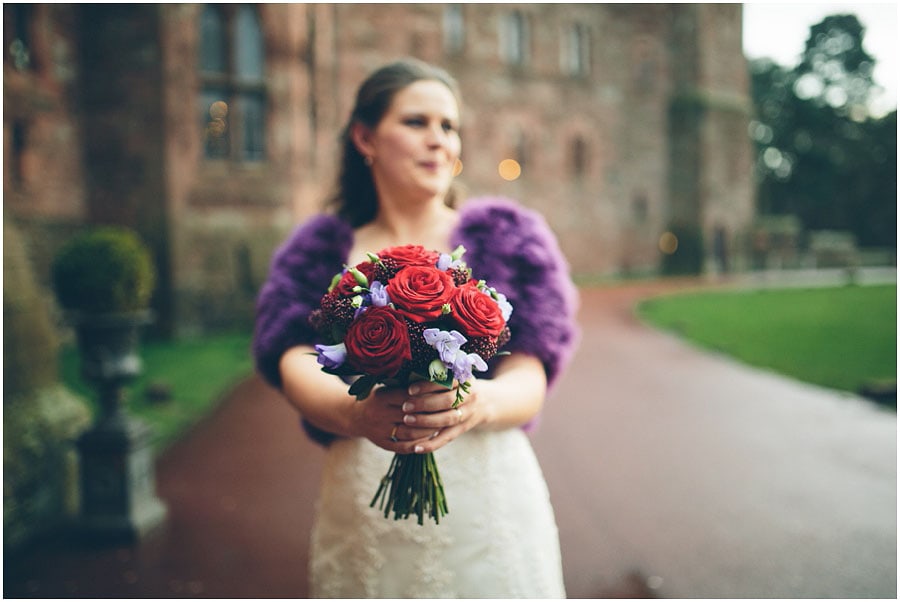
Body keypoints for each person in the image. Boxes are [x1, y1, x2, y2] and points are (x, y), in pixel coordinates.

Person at [253, 58, 579, 598]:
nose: (439, 141)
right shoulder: (317, 252)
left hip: (486, 497)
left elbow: (532, 371)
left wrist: (480, 403)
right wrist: (356, 414)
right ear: (365, 137)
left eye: (449, 127)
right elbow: (292, 359)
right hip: (363, 496)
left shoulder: (509, 239)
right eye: (416, 122)